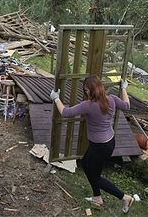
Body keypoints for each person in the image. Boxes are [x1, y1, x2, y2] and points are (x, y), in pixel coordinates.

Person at [50, 75, 134, 214]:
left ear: (92, 90)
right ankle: (97, 197)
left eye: (87, 90)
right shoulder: (111, 99)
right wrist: (124, 89)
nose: (86, 92)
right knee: (86, 164)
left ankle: (124, 197)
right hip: (109, 142)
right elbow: (127, 105)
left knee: (94, 175)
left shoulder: (88, 105)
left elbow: (65, 112)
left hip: (99, 147)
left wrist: (56, 98)